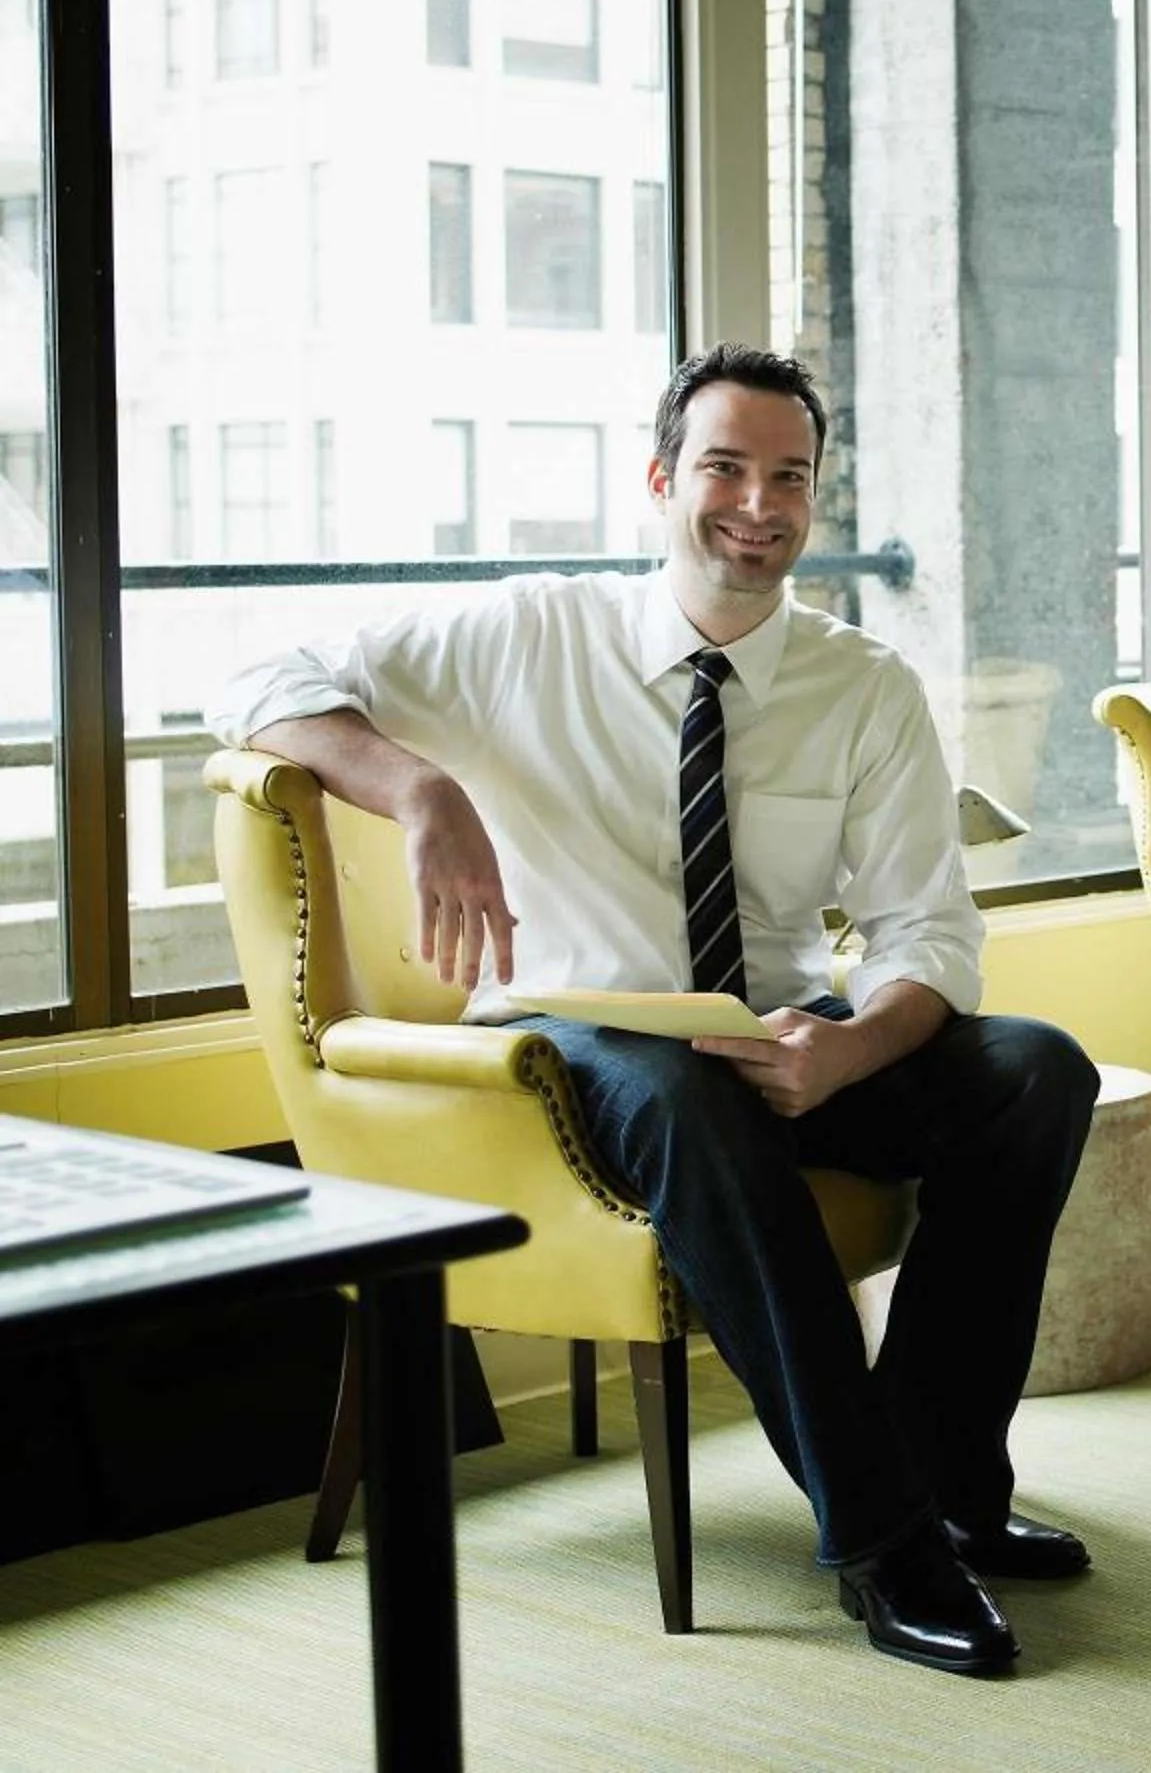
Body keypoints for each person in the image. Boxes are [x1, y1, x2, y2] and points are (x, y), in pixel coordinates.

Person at [217, 344, 1102, 1676]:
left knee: (1037, 1068)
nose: (758, 501)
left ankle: (948, 1473)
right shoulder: (527, 634)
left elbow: (927, 925)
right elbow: (258, 681)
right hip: (572, 1040)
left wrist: (850, 1043)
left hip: (780, 1033)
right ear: (660, 479)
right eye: (725, 466)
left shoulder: (864, 688)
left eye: (789, 475)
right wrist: (420, 789)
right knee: (684, 1088)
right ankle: (885, 1538)